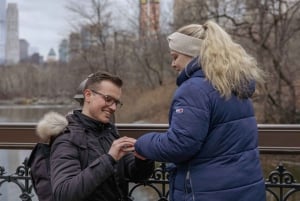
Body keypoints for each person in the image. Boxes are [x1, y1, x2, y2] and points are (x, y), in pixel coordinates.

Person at [134, 20, 266, 201]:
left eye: (175, 57)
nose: (173, 64)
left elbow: (179, 145)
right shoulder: (233, 85)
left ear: (191, 54)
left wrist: (141, 143)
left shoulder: (194, 89)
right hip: (245, 189)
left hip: (208, 192)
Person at [43, 71, 154, 201]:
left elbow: (137, 175)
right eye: (108, 99)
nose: (113, 107)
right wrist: (109, 159)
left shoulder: (109, 131)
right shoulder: (67, 138)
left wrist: (143, 159)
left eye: (116, 102)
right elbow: (64, 194)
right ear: (88, 95)